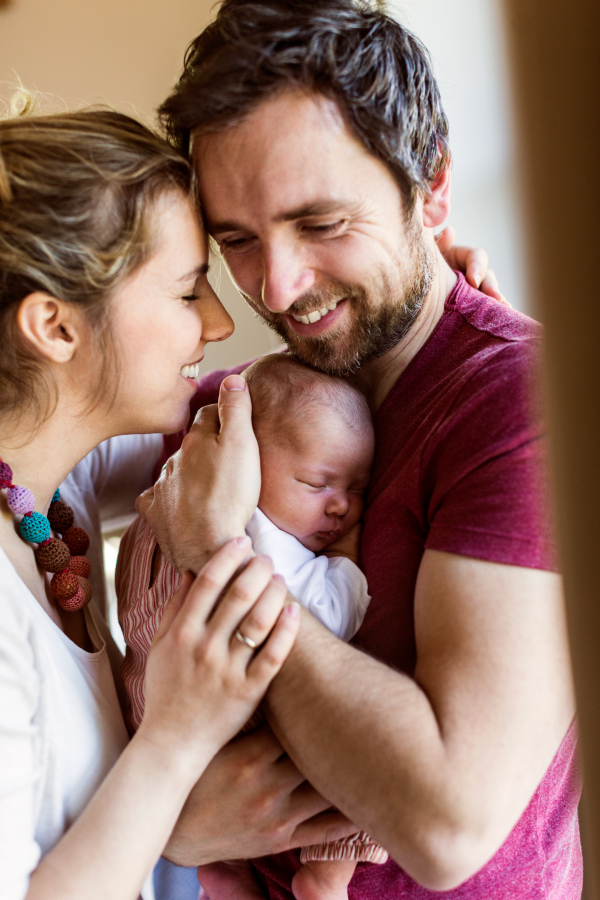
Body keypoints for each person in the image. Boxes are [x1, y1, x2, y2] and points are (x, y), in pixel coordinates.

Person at [137, 1, 581, 898]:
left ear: (433, 189)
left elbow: (446, 821)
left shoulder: (522, 405)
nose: (278, 285)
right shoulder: (263, 397)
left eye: (323, 223)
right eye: (238, 241)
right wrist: (173, 825)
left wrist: (225, 553)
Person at [0, 103, 301, 900]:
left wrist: (426, 308)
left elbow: (248, 409)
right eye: (186, 290)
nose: (219, 320)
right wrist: (178, 735)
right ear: (56, 328)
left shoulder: (57, 477)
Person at [117, 352, 380, 900]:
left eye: (357, 489)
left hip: (149, 710)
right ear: (247, 462)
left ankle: (223, 876)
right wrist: (350, 557)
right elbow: (330, 617)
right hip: (229, 733)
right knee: (374, 757)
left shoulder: (172, 489)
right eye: (317, 483)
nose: (340, 508)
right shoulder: (267, 541)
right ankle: (327, 876)